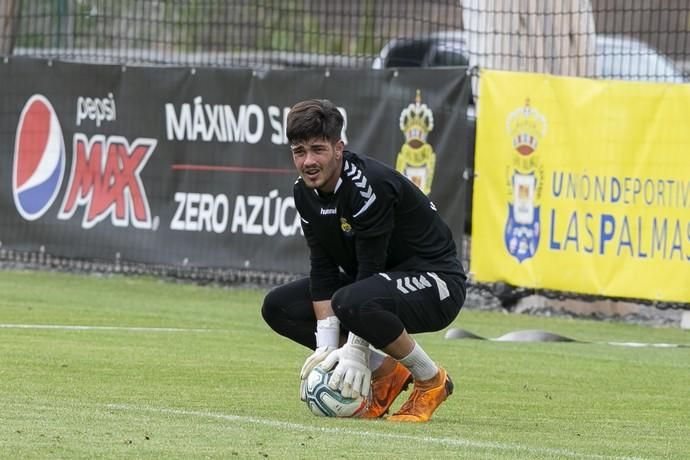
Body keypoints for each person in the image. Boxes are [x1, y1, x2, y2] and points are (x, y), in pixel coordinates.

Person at [261, 99, 466, 422]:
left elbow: (371, 267)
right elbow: (323, 269)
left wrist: (356, 351)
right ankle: (388, 374)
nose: (308, 161)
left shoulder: (368, 186)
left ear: (339, 147)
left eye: (318, 149)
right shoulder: (303, 193)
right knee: (279, 307)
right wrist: (325, 347)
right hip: (374, 286)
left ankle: (431, 380)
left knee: (351, 301)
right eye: (299, 151)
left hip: (436, 282)